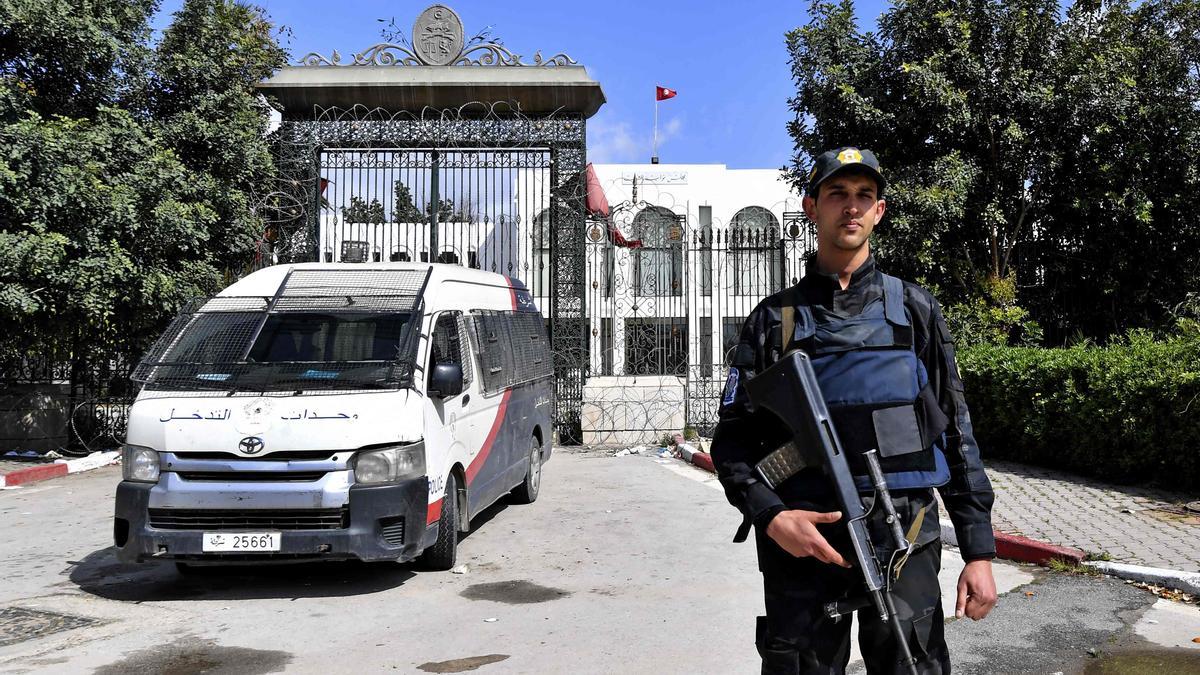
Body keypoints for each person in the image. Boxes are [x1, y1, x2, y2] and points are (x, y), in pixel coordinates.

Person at [710, 147, 998, 674]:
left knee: (913, 665)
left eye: (864, 196)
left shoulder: (913, 309)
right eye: (837, 195)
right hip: (806, 538)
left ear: (879, 211)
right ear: (811, 207)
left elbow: (956, 432)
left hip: (904, 531)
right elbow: (731, 444)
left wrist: (978, 550)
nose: (851, 207)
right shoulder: (773, 321)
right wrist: (772, 517)